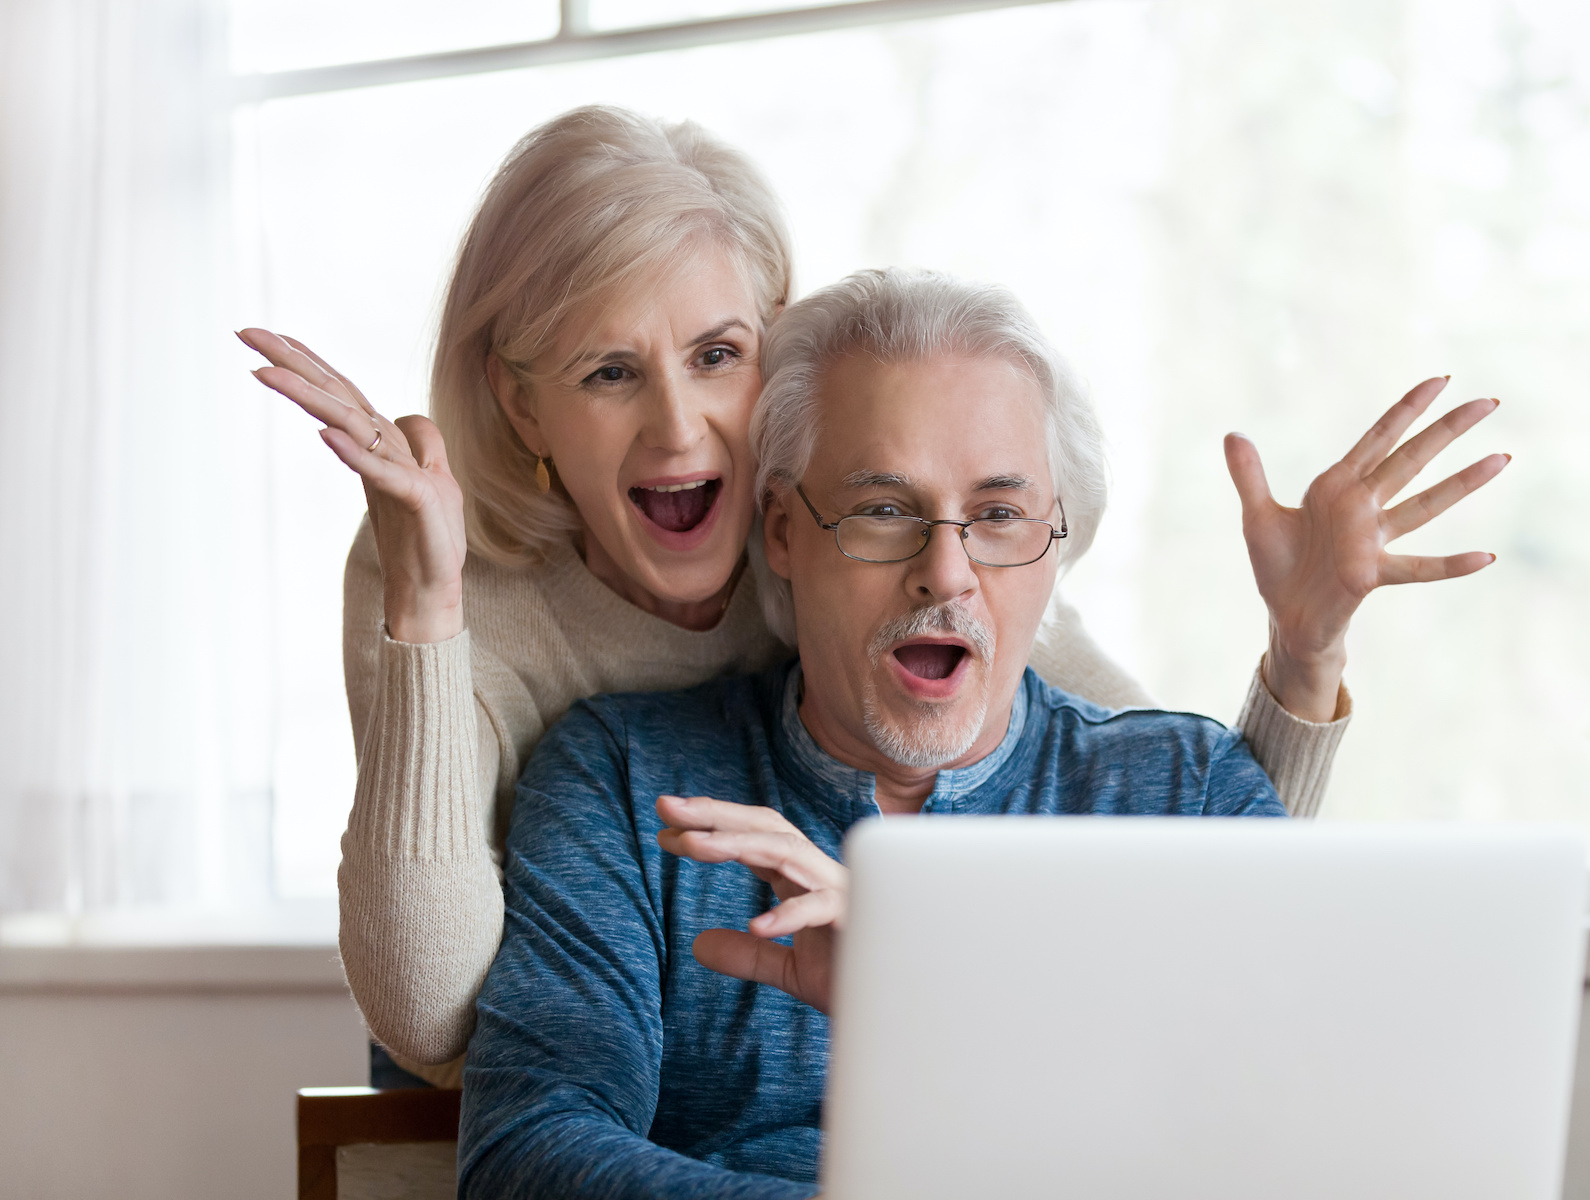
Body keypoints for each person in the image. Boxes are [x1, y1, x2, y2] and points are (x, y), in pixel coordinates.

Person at [240, 107, 1472, 1085]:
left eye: (719, 356)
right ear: (522, 406)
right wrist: (423, 606)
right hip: (514, 1018)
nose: (680, 425)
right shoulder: (472, 591)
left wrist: (1303, 659)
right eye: (611, 370)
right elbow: (432, 1020)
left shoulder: (911, 553)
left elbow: (1170, 837)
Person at [457, 269, 1503, 1198]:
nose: (946, 572)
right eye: (881, 509)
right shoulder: (627, 781)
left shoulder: (1184, 792)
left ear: (1056, 544)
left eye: (999, 516)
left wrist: (934, 997)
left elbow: (1297, 1145)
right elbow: (522, 1156)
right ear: (782, 531)